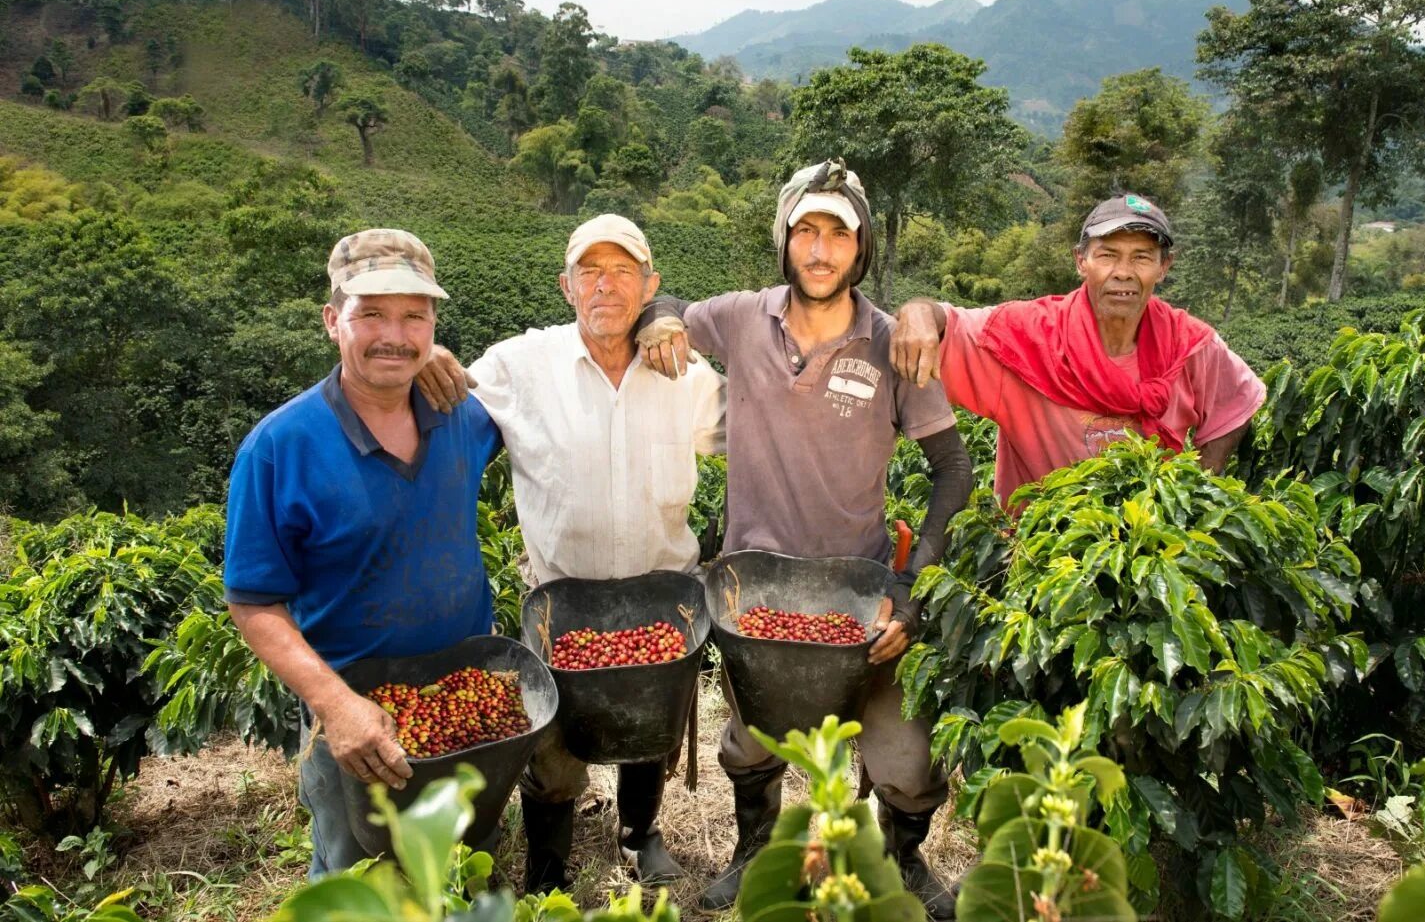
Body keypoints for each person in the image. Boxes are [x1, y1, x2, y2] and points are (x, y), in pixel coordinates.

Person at [635, 159, 973, 919]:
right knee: (751, 743)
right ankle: (756, 849)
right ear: (784, 239)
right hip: (756, 598)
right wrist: (659, 318)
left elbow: (954, 469)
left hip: (860, 600)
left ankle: (901, 857)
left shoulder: (891, 343)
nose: (820, 251)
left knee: (907, 757)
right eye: (806, 232)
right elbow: (674, 307)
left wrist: (912, 591)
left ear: (862, 248)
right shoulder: (741, 318)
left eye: (838, 235)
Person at [413, 213, 727, 893]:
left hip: (659, 602)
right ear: (566, 286)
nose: (605, 286)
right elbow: (444, 401)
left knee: (650, 732)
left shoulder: (687, 374)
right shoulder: (520, 366)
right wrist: (425, 358)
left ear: (650, 286)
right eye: (590, 272)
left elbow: (752, 438)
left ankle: (640, 833)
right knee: (553, 755)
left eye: (623, 271)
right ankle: (549, 871)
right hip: (562, 604)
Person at [223, 229, 503, 879]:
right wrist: (335, 704)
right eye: (370, 314)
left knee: (464, 866)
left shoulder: (464, 417)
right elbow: (254, 602)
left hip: (464, 697)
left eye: (414, 317)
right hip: (355, 712)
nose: (393, 336)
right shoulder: (279, 448)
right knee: (361, 879)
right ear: (332, 321)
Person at [890, 193, 1265, 504]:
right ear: (1081, 261)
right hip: (1038, 553)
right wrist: (918, 313)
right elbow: (948, 323)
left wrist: (1196, 491)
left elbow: (1237, 400)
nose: (1123, 272)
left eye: (1141, 257)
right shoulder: (1026, 336)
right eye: (1108, 255)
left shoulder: (1189, 344)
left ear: (1164, 267)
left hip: (1153, 550)